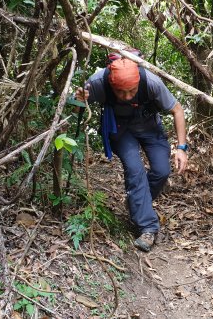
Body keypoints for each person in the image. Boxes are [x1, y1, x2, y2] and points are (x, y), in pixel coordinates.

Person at [75, 58, 188, 252]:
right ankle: (148, 227)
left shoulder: (151, 82)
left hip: (150, 127)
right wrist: (79, 100)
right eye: (120, 92)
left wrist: (181, 148)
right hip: (120, 130)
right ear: (111, 83)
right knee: (135, 170)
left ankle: (136, 202)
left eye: (132, 91)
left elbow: (177, 110)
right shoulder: (97, 82)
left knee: (162, 171)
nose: (127, 96)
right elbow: (77, 110)